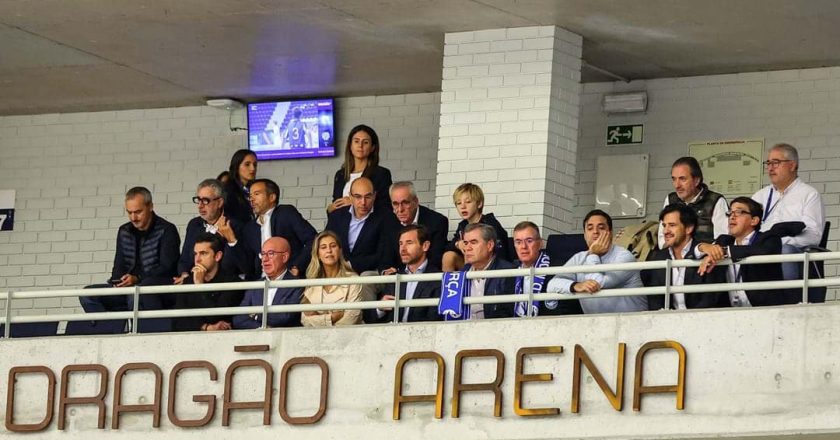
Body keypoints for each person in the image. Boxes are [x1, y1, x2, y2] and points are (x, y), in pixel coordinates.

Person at [99, 187, 180, 333]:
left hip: (153, 288)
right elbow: (119, 264)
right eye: (129, 212)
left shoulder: (167, 229)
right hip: (127, 287)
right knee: (89, 296)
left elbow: (167, 267)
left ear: (150, 206)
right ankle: (113, 331)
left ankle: (136, 335)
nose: (133, 217)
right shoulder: (124, 231)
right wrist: (117, 282)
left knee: (134, 296)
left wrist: (137, 279)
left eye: (138, 212)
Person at [751, 143, 826, 285]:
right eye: (768, 163)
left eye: (776, 162)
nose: (770, 167)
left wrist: (777, 243)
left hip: (788, 253)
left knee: (785, 250)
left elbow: (813, 235)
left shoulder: (809, 194)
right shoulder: (760, 196)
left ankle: (788, 299)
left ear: (792, 165)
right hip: (760, 250)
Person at [697, 197, 793, 307]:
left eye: (739, 212)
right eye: (730, 212)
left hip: (766, 311)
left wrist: (725, 252)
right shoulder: (724, 240)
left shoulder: (769, 238)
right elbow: (696, 250)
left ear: (754, 220)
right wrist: (703, 247)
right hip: (728, 313)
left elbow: (762, 251)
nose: (732, 216)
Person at [546, 210, 648, 314]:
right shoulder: (579, 258)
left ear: (610, 233)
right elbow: (551, 285)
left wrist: (593, 254)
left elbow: (598, 284)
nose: (595, 232)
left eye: (601, 228)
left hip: (633, 323)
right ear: (585, 235)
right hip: (597, 324)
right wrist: (575, 285)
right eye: (590, 228)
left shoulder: (624, 256)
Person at [223, 178, 317, 279]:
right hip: (262, 284)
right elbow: (248, 267)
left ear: (272, 197)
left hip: (289, 280)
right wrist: (232, 240)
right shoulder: (250, 228)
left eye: (256, 194)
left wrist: (297, 266)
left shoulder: (286, 213)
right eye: (250, 196)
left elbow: (313, 239)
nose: (251, 199)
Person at [644, 204, 728, 310]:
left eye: (672, 225)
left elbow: (710, 300)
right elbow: (655, 300)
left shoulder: (707, 255)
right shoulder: (658, 257)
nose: (666, 231)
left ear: (689, 228)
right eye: (664, 225)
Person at [324, 177, 400, 274]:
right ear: (350, 197)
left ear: (374, 196)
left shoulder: (386, 217)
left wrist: (351, 265)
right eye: (358, 197)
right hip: (337, 271)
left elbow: (384, 254)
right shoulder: (337, 216)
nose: (363, 202)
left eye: (367, 197)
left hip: (369, 272)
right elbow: (325, 242)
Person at [367, 225, 442, 323]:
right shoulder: (394, 278)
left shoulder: (438, 278)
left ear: (425, 246)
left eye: (409, 243)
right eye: (400, 244)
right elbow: (370, 319)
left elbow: (435, 319)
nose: (402, 249)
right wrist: (380, 309)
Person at [175, 179, 245, 284]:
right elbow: (184, 260)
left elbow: (239, 266)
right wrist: (185, 275)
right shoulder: (194, 224)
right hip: (194, 280)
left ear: (220, 202)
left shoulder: (235, 226)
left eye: (206, 200)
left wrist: (231, 239)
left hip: (223, 285)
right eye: (198, 200)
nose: (200, 206)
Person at [173, 233, 244, 332]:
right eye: (195, 254)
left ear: (217, 256)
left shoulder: (232, 282)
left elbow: (216, 317)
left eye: (203, 253)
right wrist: (206, 327)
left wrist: (200, 286)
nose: (197, 259)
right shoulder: (187, 282)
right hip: (191, 340)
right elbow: (177, 322)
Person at [234, 237, 304, 329]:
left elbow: (285, 317)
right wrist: (261, 326)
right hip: (255, 339)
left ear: (284, 257)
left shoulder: (297, 285)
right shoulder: (255, 286)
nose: (265, 259)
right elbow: (238, 319)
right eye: (263, 254)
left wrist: (255, 315)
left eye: (271, 254)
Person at [657, 157, 728, 247]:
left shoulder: (716, 201)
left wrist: (699, 252)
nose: (677, 185)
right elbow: (662, 238)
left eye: (682, 179)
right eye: (674, 179)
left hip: (706, 259)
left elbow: (723, 239)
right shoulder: (671, 200)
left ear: (696, 181)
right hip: (675, 258)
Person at [442, 183, 511, 272]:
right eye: (458, 203)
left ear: (479, 204)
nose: (463, 206)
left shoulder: (490, 224)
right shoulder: (462, 225)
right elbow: (448, 247)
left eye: (468, 202)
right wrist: (458, 244)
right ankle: (451, 284)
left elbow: (501, 252)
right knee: (448, 256)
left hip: (491, 266)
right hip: (470, 264)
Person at [301, 231, 363, 327]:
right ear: (318, 254)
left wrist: (319, 319)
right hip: (316, 338)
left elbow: (351, 317)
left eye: (333, 246)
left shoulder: (353, 279)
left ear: (340, 251)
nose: (329, 250)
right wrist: (332, 318)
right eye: (323, 247)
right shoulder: (311, 282)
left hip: (349, 337)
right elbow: (305, 320)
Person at [328, 125, 392, 214]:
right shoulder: (340, 174)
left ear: (372, 147)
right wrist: (330, 209)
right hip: (342, 225)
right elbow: (336, 204)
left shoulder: (381, 174)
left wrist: (355, 203)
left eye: (365, 142)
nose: (360, 146)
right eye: (356, 141)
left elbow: (385, 206)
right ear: (350, 145)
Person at [458, 223, 516, 320]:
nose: (467, 248)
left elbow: (507, 314)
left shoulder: (508, 272)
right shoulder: (460, 275)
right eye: (465, 243)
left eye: (473, 242)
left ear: (489, 245)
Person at [389, 181, 448, 268]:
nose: (400, 209)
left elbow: (435, 260)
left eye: (405, 203)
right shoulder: (388, 222)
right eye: (395, 204)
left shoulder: (437, 222)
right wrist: (386, 271)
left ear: (416, 202)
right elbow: (385, 257)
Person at [223, 149, 258, 224]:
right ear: (237, 166)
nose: (253, 168)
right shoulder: (227, 191)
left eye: (255, 164)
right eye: (247, 164)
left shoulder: (255, 188)